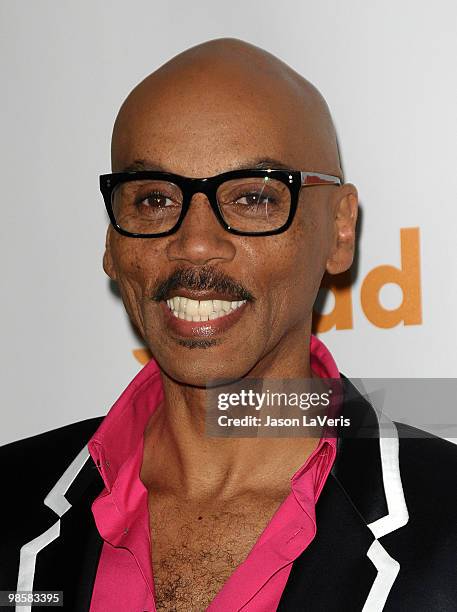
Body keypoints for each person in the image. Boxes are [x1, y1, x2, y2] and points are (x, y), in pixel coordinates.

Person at [1, 37, 457, 612]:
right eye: (153, 200)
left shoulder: (447, 522)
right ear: (112, 241)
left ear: (340, 230)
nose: (194, 244)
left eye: (253, 198)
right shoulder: (11, 499)